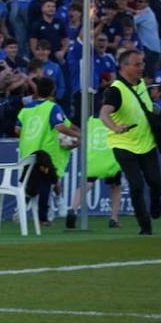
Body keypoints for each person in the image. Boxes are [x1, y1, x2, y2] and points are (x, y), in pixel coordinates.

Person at [99, 49, 161, 236]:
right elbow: (104, 113)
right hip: (123, 144)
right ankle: (145, 226)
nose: (141, 67)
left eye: (142, 63)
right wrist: (115, 127)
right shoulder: (115, 90)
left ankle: (156, 205)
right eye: (136, 64)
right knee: (136, 185)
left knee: (156, 182)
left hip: (146, 142)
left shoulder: (142, 83)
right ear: (124, 67)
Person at [16, 75, 80, 225]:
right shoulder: (52, 107)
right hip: (45, 153)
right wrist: (79, 135)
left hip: (28, 150)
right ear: (53, 90)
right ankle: (43, 217)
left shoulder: (26, 109)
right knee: (46, 182)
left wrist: (32, 136)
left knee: (29, 182)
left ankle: (21, 211)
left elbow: (17, 129)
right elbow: (60, 126)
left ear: (37, 90)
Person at [66, 117, 124, 230]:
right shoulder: (117, 120)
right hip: (110, 157)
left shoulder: (90, 121)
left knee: (86, 184)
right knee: (115, 187)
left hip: (94, 158)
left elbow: (84, 138)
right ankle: (113, 218)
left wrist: (74, 144)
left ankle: (73, 209)